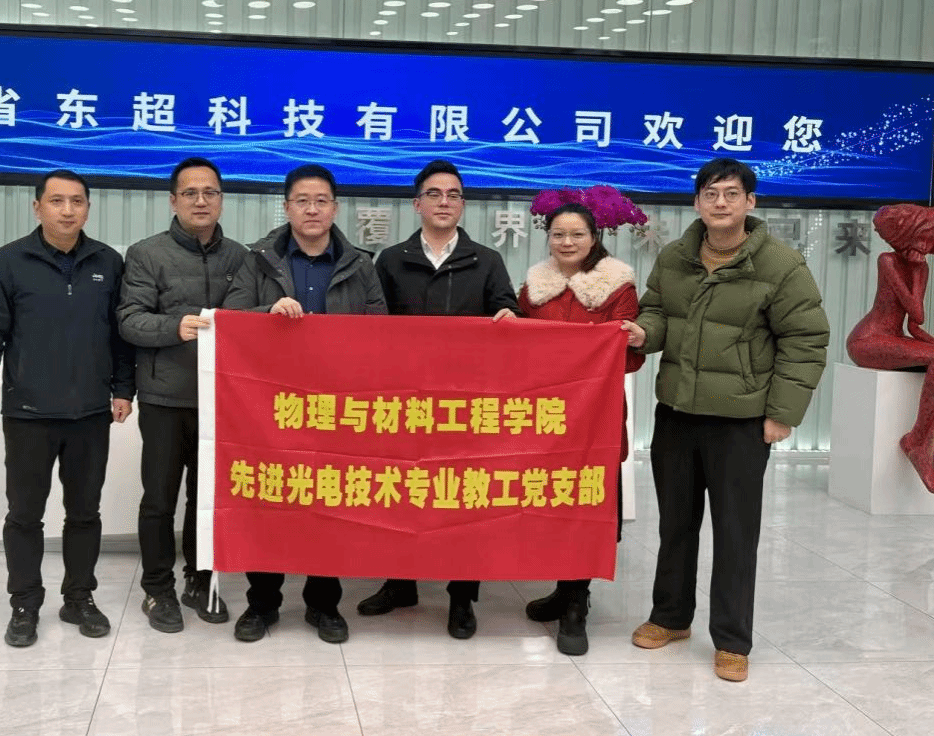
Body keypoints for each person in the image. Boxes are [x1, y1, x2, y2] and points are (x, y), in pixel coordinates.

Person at [622, 157, 828, 682]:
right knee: (675, 525)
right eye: (711, 194)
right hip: (676, 414)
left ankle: (733, 641)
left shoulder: (780, 265)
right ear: (697, 203)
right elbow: (657, 312)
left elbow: (805, 340)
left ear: (750, 202)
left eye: (732, 193)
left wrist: (781, 414)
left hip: (740, 420)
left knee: (736, 533)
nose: (720, 203)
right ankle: (670, 618)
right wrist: (644, 334)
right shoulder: (675, 257)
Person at [0, 169, 136, 648]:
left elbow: (120, 336)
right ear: (37, 207)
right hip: (28, 413)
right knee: (24, 516)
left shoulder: (108, 262)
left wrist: (124, 389)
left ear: (88, 208)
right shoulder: (7, 262)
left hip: (90, 415)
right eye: (57, 201)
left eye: (77, 201)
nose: (67, 210)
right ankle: (24, 604)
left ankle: (79, 597)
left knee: (84, 514)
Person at [223, 163, 387, 644]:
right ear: (287, 207)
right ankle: (262, 603)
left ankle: (324, 603)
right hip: (269, 407)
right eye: (302, 201)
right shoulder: (258, 260)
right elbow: (231, 319)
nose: (312, 210)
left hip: (336, 408)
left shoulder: (361, 264)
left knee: (329, 504)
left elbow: (381, 332)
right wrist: (266, 313)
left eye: (320, 201)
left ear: (335, 208)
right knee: (268, 500)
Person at [355, 159, 519, 640]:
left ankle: (462, 595)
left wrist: (508, 315)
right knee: (401, 494)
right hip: (404, 401)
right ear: (417, 204)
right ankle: (400, 582)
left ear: (463, 204)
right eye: (434, 193)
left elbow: (506, 307)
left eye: (453, 194)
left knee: (461, 498)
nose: (444, 202)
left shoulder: (485, 260)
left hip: (464, 404)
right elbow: (374, 327)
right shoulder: (391, 259)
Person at [118, 157, 248, 633]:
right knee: (159, 498)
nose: (200, 201)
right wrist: (175, 326)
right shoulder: (146, 254)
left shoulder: (241, 257)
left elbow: (245, 320)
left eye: (210, 192)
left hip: (220, 400)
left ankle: (200, 579)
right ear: (173, 201)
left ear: (221, 200)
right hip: (164, 397)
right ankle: (157, 588)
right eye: (190, 193)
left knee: (206, 499)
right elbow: (129, 319)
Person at [518, 198, 644, 656]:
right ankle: (561, 588)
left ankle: (576, 603)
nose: (567, 242)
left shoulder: (618, 287)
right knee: (551, 502)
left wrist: (630, 340)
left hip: (595, 415)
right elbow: (518, 351)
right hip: (545, 417)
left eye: (577, 234)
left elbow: (629, 355)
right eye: (558, 234)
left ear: (594, 238)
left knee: (587, 505)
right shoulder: (534, 288)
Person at [845, 204, 934, 493]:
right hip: (868, 340)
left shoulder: (921, 268)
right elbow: (916, 310)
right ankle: (918, 443)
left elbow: (915, 325)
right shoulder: (887, 261)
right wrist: (915, 269)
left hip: (894, 339)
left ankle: (924, 444)